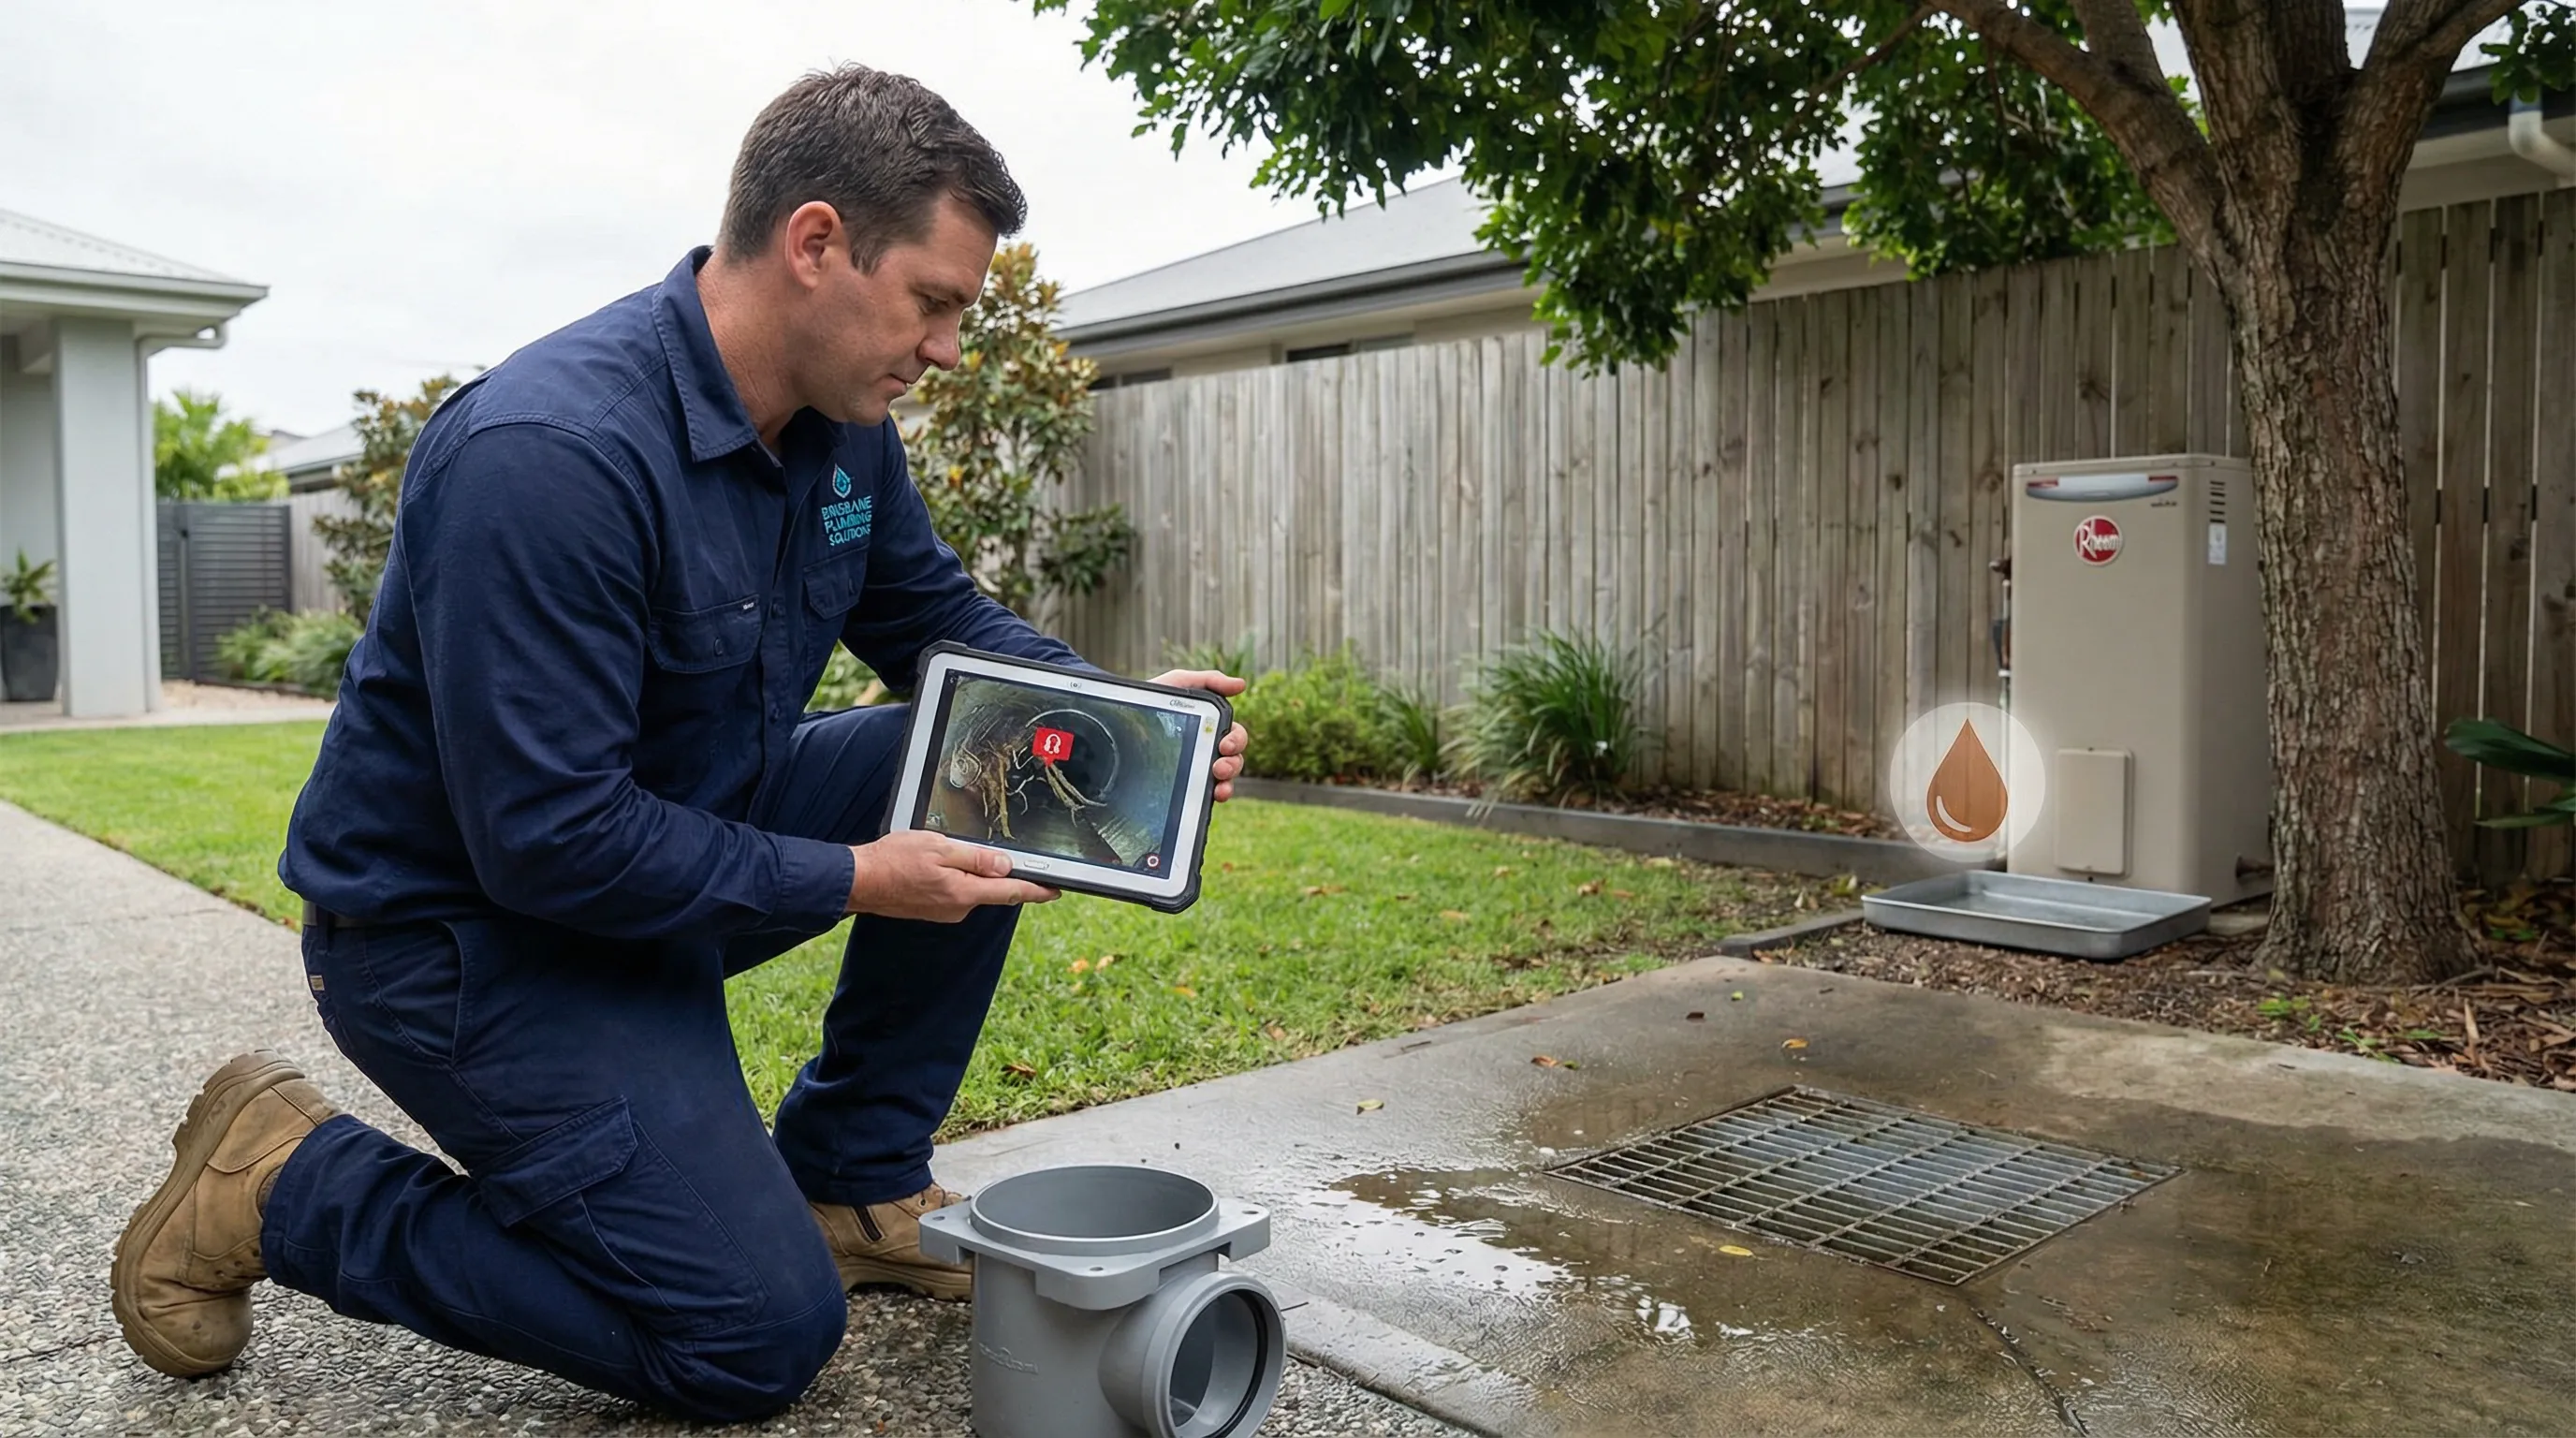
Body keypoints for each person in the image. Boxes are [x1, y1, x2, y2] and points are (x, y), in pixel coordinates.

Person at [109, 65, 1249, 1424]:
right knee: (750, 1339)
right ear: (816, 242)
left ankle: (850, 1174)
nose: (947, 349)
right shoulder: (551, 456)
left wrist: (1113, 713)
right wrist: (858, 881)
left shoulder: (840, 432)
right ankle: (285, 1182)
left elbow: (933, 620)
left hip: (669, 865)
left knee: (976, 761)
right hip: (470, 941)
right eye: (935, 302)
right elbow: (548, 839)